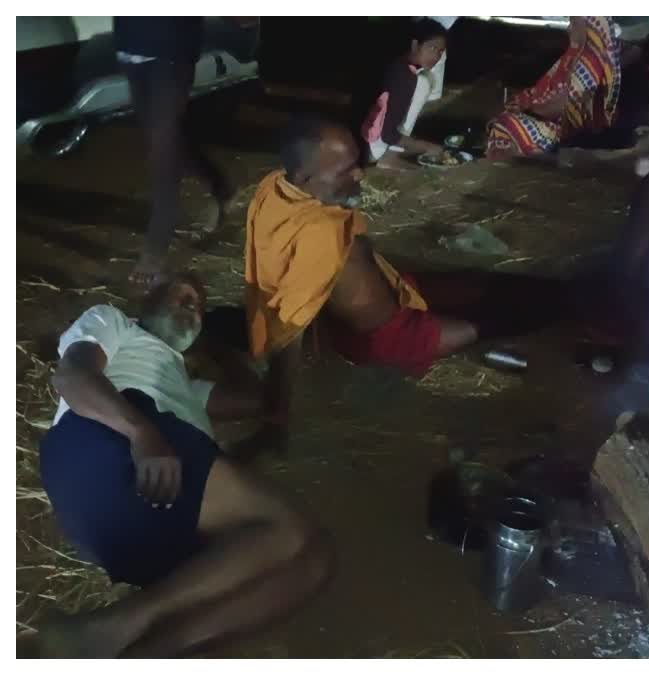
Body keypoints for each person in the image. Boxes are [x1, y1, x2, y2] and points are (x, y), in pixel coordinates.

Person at [25, 275, 333, 657]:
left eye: (200, 309)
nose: (194, 309)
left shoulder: (185, 386)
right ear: (150, 301)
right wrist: (143, 433)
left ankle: (150, 653)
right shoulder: (115, 323)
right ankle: (119, 623)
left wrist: (216, 347)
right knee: (290, 529)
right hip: (106, 450)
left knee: (315, 563)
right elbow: (72, 376)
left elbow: (255, 399)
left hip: (141, 516)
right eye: (184, 297)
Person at [246, 117, 572, 442]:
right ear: (306, 178)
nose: (360, 173)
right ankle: (570, 302)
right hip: (392, 338)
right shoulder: (318, 235)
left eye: (356, 163)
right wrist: (277, 413)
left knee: (491, 284)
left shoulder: (275, 187)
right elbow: (289, 328)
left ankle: (559, 295)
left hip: (397, 289)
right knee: (506, 317)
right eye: (345, 170)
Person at [115, 17, 234, 286]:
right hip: (130, 39)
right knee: (168, 141)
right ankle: (219, 185)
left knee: (162, 148)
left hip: (171, 43)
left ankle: (157, 244)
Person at [486, 16, 622, 159]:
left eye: (573, 23)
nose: (569, 28)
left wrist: (528, 112)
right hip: (545, 123)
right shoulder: (574, 59)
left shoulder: (589, 67)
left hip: (555, 130)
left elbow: (567, 103)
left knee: (509, 126)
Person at [360, 18, 447, 167]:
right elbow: (388, 134)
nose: (436, 56)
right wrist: (427, 146)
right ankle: (389, 155)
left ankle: (391, 153)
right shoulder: (405, 77)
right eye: (432, 48)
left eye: (440, 51)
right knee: (423, 83)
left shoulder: (398, 63)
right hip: (369, 147)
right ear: (415, 45)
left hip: (363, 139)